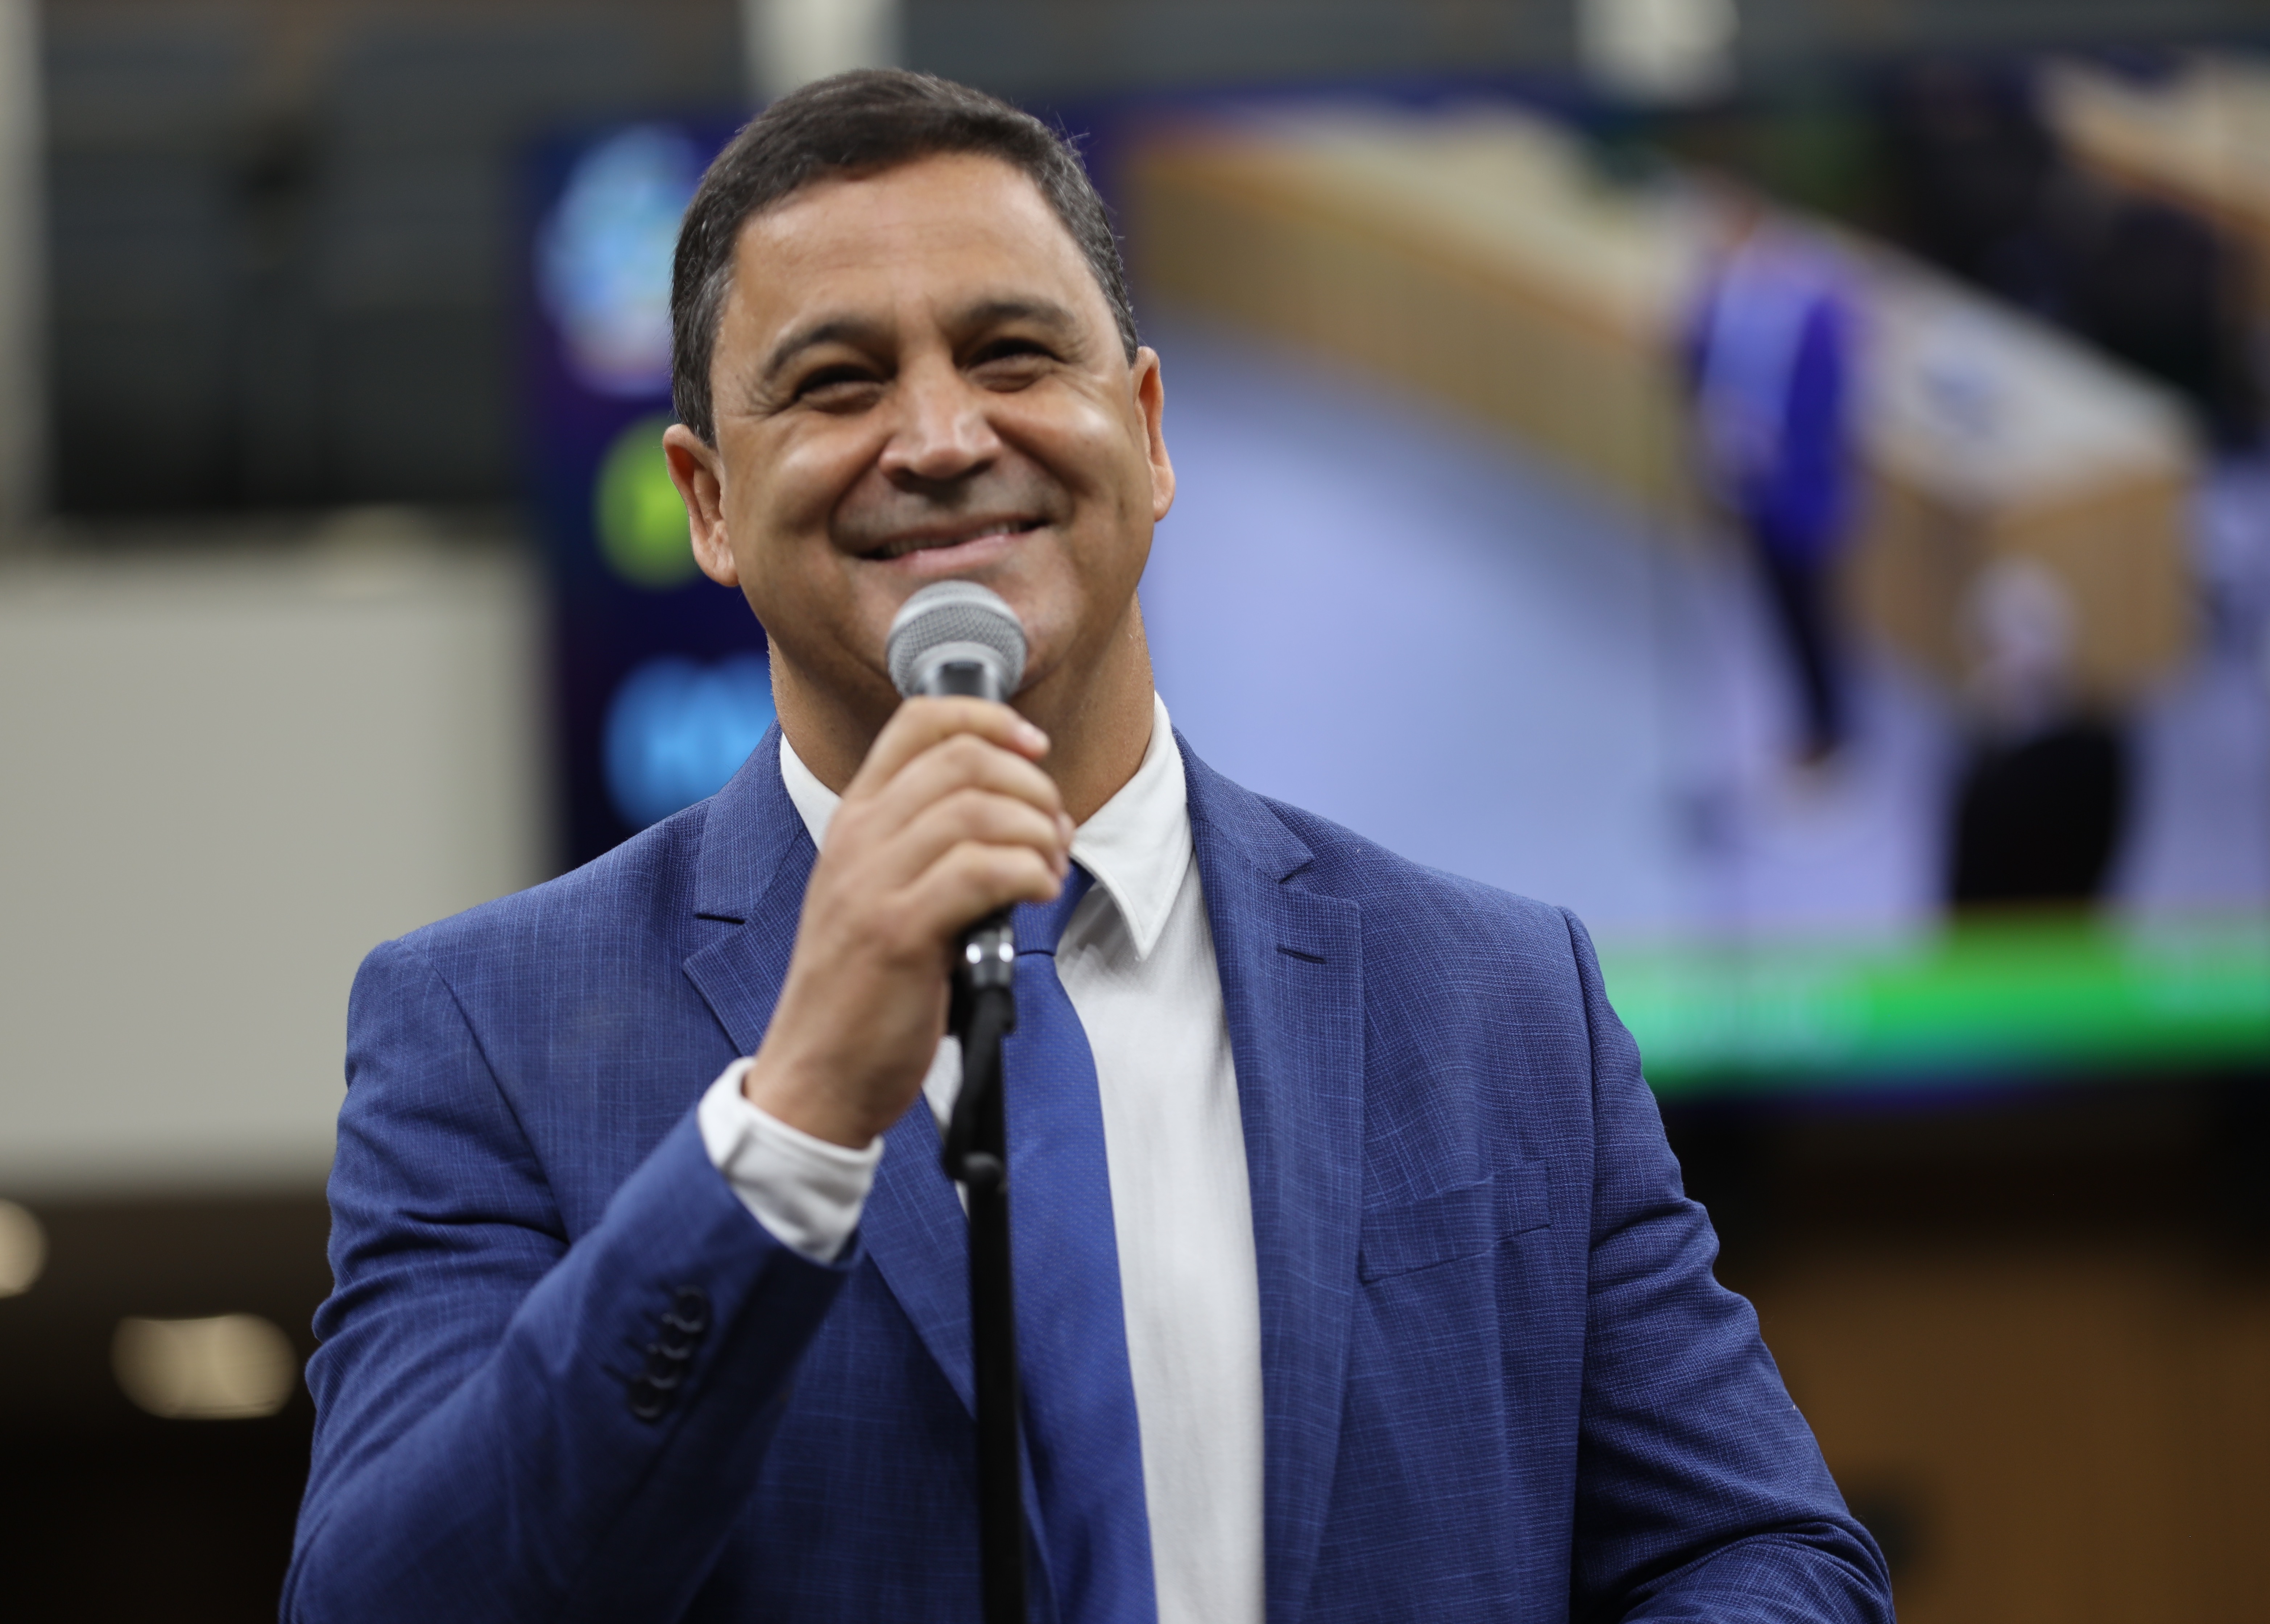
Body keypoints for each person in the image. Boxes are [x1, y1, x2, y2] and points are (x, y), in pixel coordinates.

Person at [286, 71, 1891, 1624]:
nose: (939, 436)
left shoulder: (1503, 1003)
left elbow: (1770, 1561)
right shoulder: (484, 1034)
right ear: (708, 503)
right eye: (838, 382)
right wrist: (791, 1128)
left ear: (1148, 428)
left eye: (1011, 353)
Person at [1683, 192, 1860, 767]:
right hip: (1751, 489)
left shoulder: (1815, 312)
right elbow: (1697, 356)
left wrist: (1768, 455)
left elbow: (1822, 415)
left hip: (1797, 498)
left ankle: (1829, 729)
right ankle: (1808, 720)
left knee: (1809, 621)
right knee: (1778, 615)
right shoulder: (1732, 294)